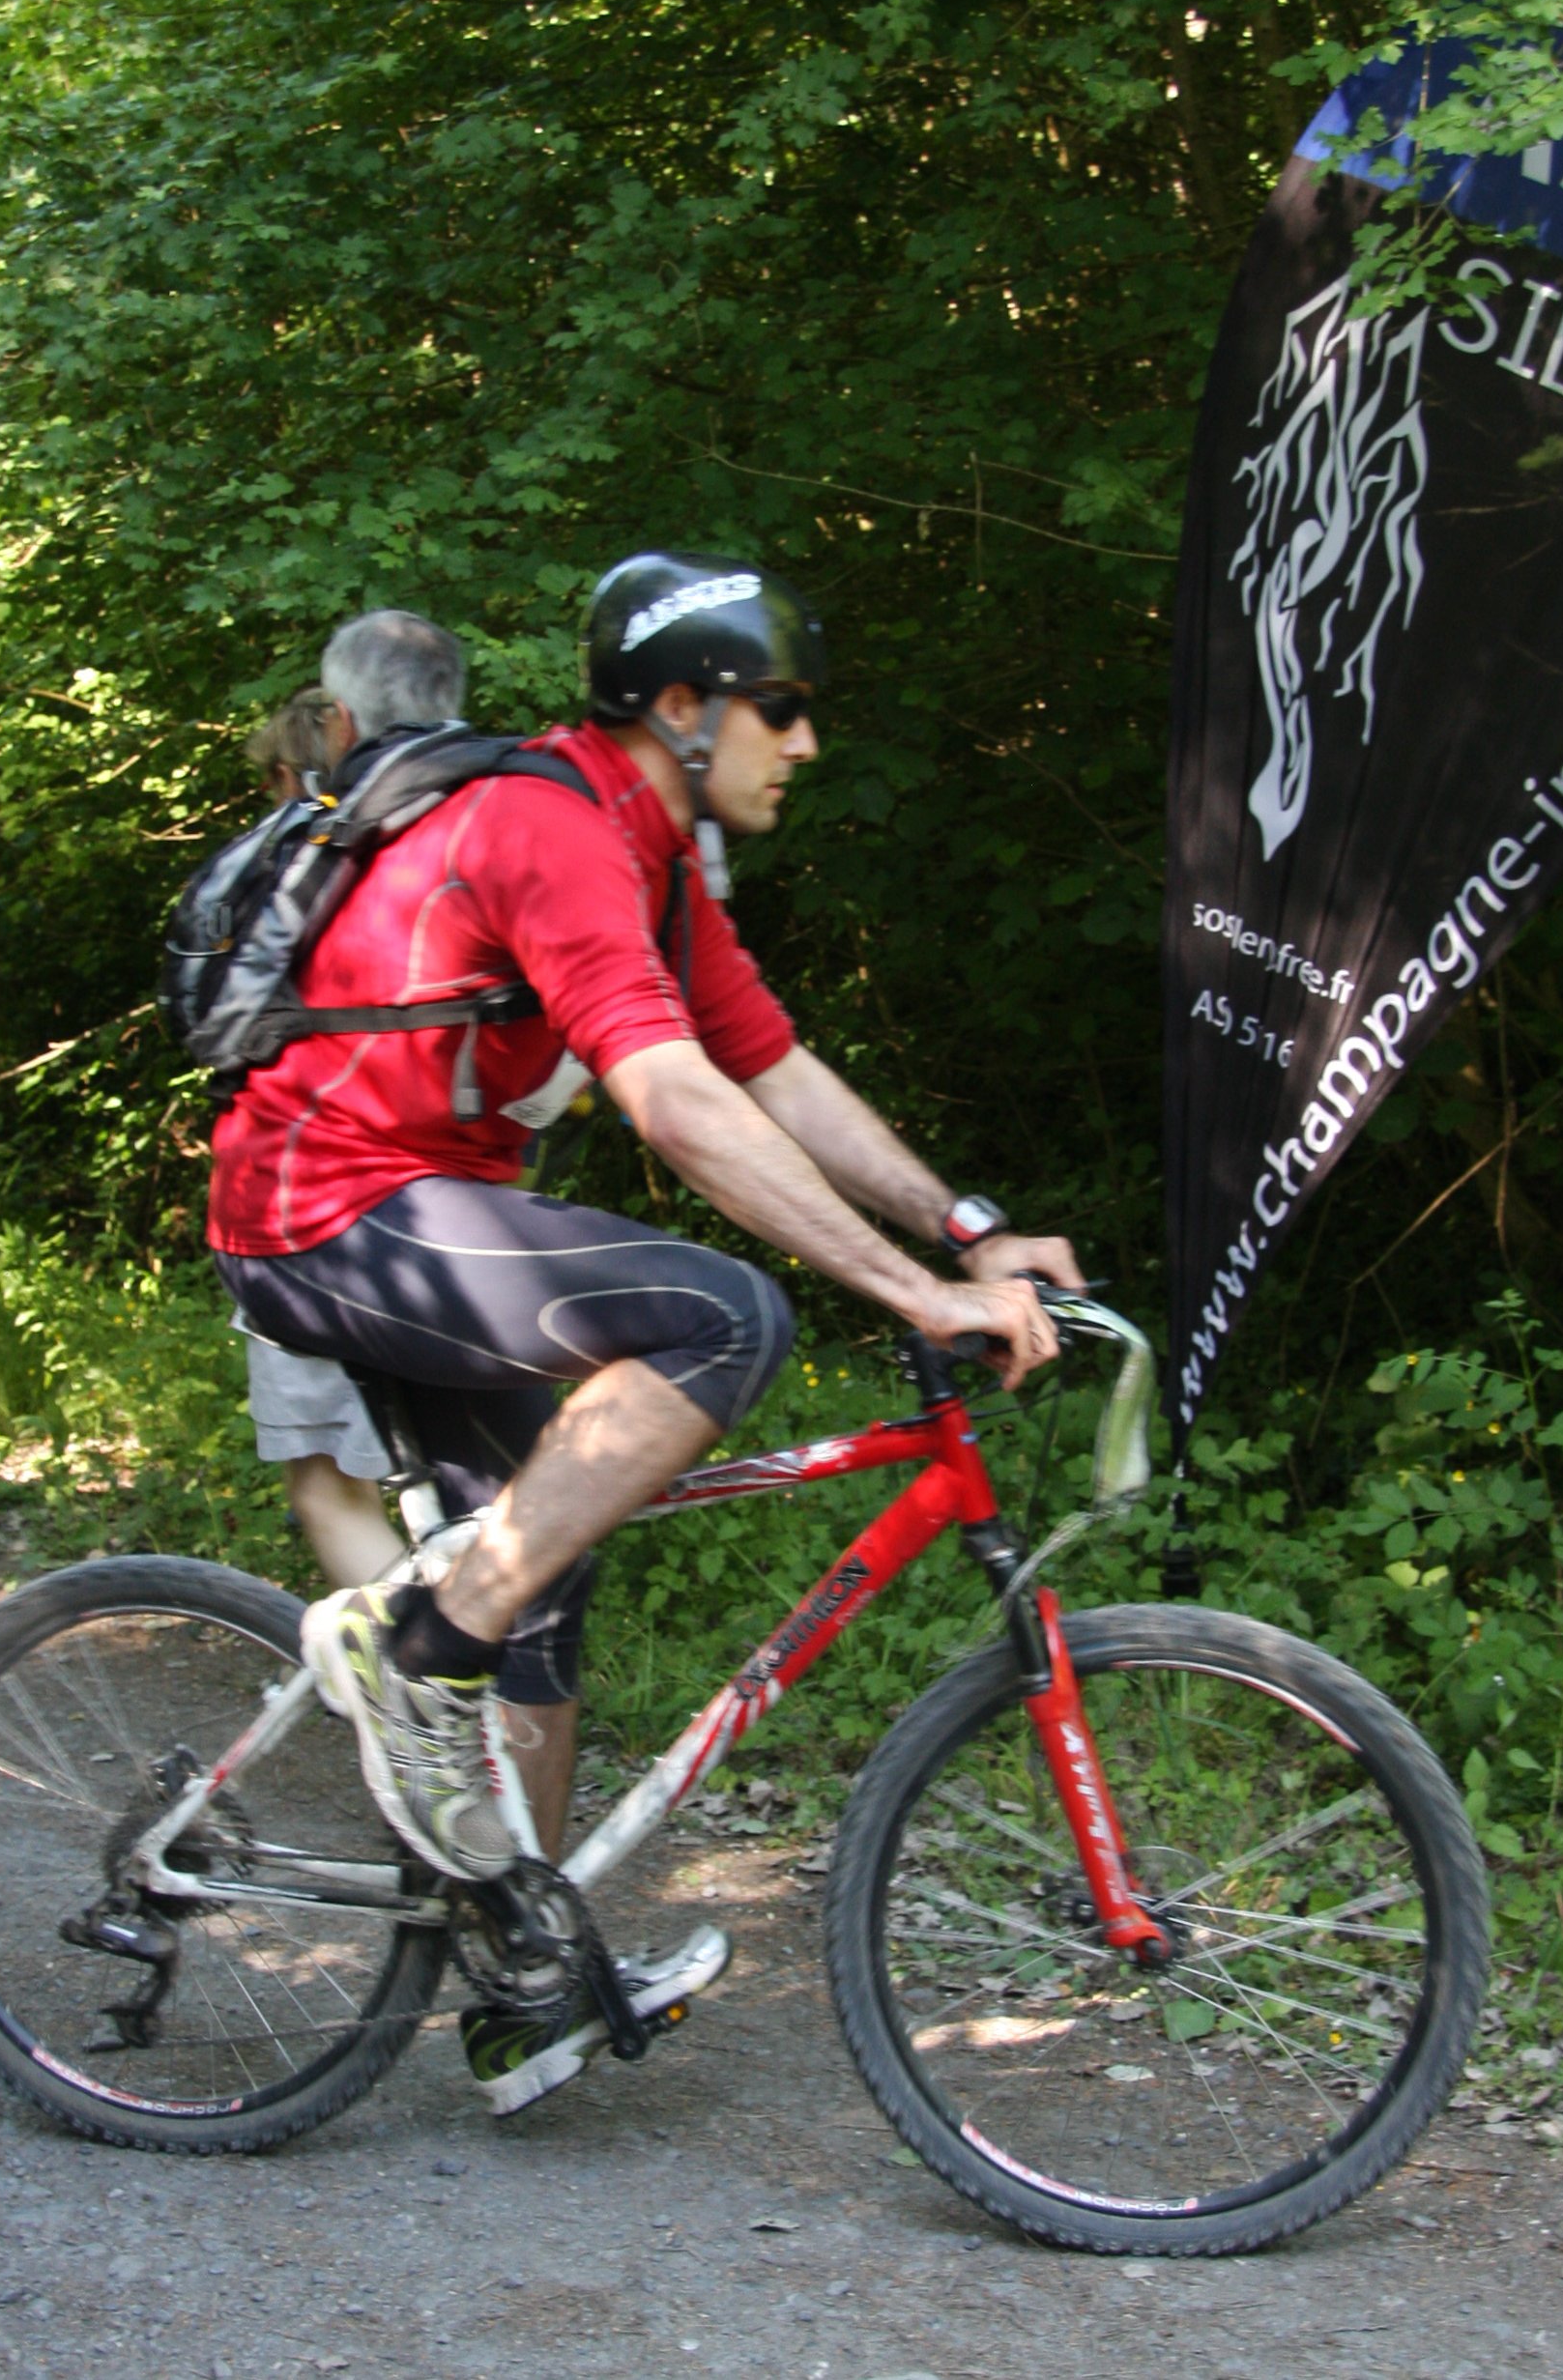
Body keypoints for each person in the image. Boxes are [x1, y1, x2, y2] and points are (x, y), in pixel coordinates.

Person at [207, 552, 1083, 2094]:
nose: (804, 742)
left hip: (418, 1206)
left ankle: (520, 1975)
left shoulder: (651, 855)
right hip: (326, 1209)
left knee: (535, 1585)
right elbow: (671, 1099)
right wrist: (908, 1292)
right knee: (722, 1313)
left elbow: (771, 1069)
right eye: (780, 708)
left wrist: (964, 1229)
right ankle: (413, 1650)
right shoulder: (549, 822)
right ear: (681, 705)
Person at [233, 615, 593, 1854]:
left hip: (311, 1215)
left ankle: (407, 1670)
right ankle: (521, 1873)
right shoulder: (501, 819)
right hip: (471, 1235)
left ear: (331, 729)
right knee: (526, 1550)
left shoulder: (312, 857)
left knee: (330, 1483)